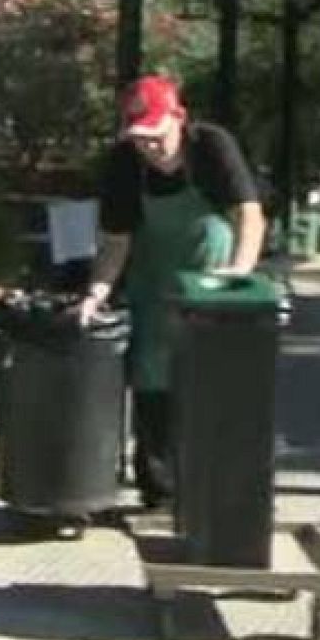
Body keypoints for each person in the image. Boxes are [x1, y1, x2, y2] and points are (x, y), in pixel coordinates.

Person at [76, 74, 267, 508]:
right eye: (140, 139)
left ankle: (211, 485)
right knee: (153, 382)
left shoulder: (212, 147)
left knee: (209, 384)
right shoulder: (124, 165)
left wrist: (238, 273)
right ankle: (159, 488)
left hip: (213, 283)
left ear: (179, 117)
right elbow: (116, 242)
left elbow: (249, 215)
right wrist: (96, 293)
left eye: (157, 136)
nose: (150, 147)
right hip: (153, 287)